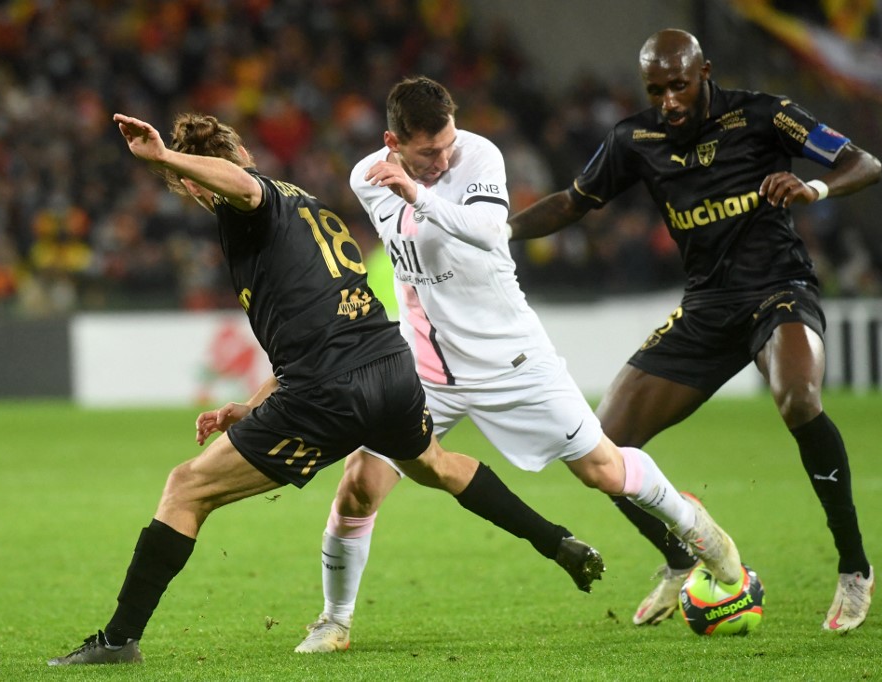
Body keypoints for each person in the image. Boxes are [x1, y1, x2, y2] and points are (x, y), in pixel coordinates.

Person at [46, 111, 610, 666]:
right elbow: (316, 329)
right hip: (390, 367)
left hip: (330, 392)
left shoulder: (250, 201)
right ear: (244, 149)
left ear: (197, 185)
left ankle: (119, 642)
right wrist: (250, 405)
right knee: (433, 465)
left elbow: (242, 188)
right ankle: (554, 539)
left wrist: (165, 158)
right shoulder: (300, 201)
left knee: (186, 488)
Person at [294, 76, 742, 654]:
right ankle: (335, 622)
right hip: (427, 371)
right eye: (428, 152)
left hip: (512, 358)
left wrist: (418, 191)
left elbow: (488, 233)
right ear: (392, 141)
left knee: (602, 472)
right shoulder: (365, 177)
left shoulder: (479, 155)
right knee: (358, 486)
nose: (443, 157)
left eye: (447, 144)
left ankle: (695, 527)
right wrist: (408, 190)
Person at [507, 29, 880, 632]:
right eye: (656, 90)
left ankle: (854, 568)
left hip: (779, 289)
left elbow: (864, 162)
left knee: (797, 397)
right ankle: (680, 558)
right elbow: (574, 202)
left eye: (679, 85)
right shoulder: (635, 138)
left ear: (704, 71)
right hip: (707, 307)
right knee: (601, 443)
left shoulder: (764, 116)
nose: (670, 101)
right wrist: (497, 234)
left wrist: (813, 186)